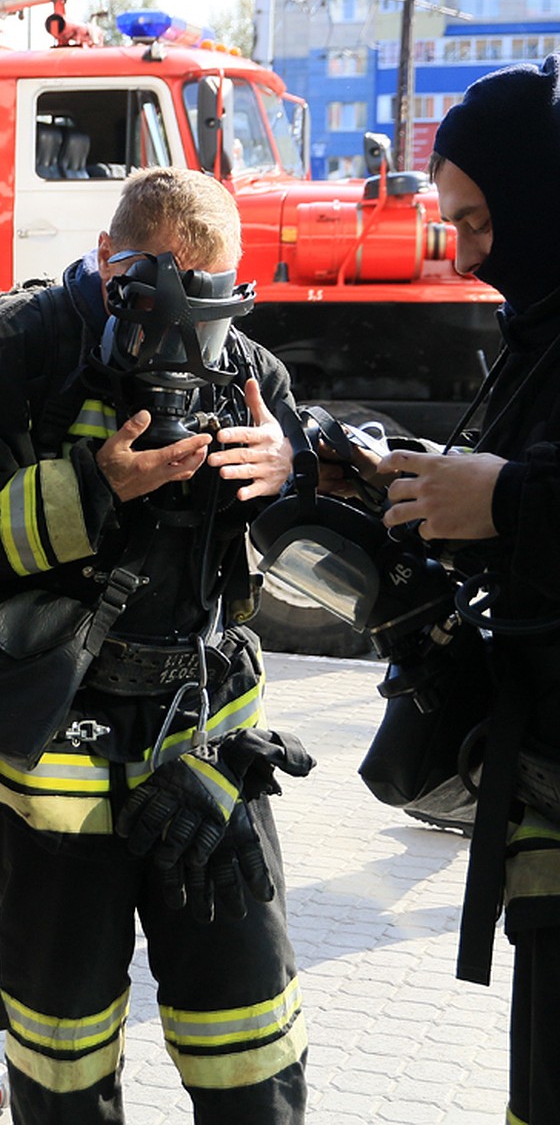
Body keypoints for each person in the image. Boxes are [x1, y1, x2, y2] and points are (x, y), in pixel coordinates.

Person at [0, 167, 314, 1123]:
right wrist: (94, 489)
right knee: (63, 1046)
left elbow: (285, 547)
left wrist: (283, 471)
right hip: (48, 780)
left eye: (209, 308)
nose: (184, 339)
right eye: (157, 299)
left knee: (249, 1034)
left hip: (202, 762)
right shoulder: (13, 357)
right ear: (107, 261)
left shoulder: (252, 373)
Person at [344, 55, 560, 1125]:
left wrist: (510, 497)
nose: (472, 258)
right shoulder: (541, 334)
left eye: (479, 224)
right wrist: (447, 483)